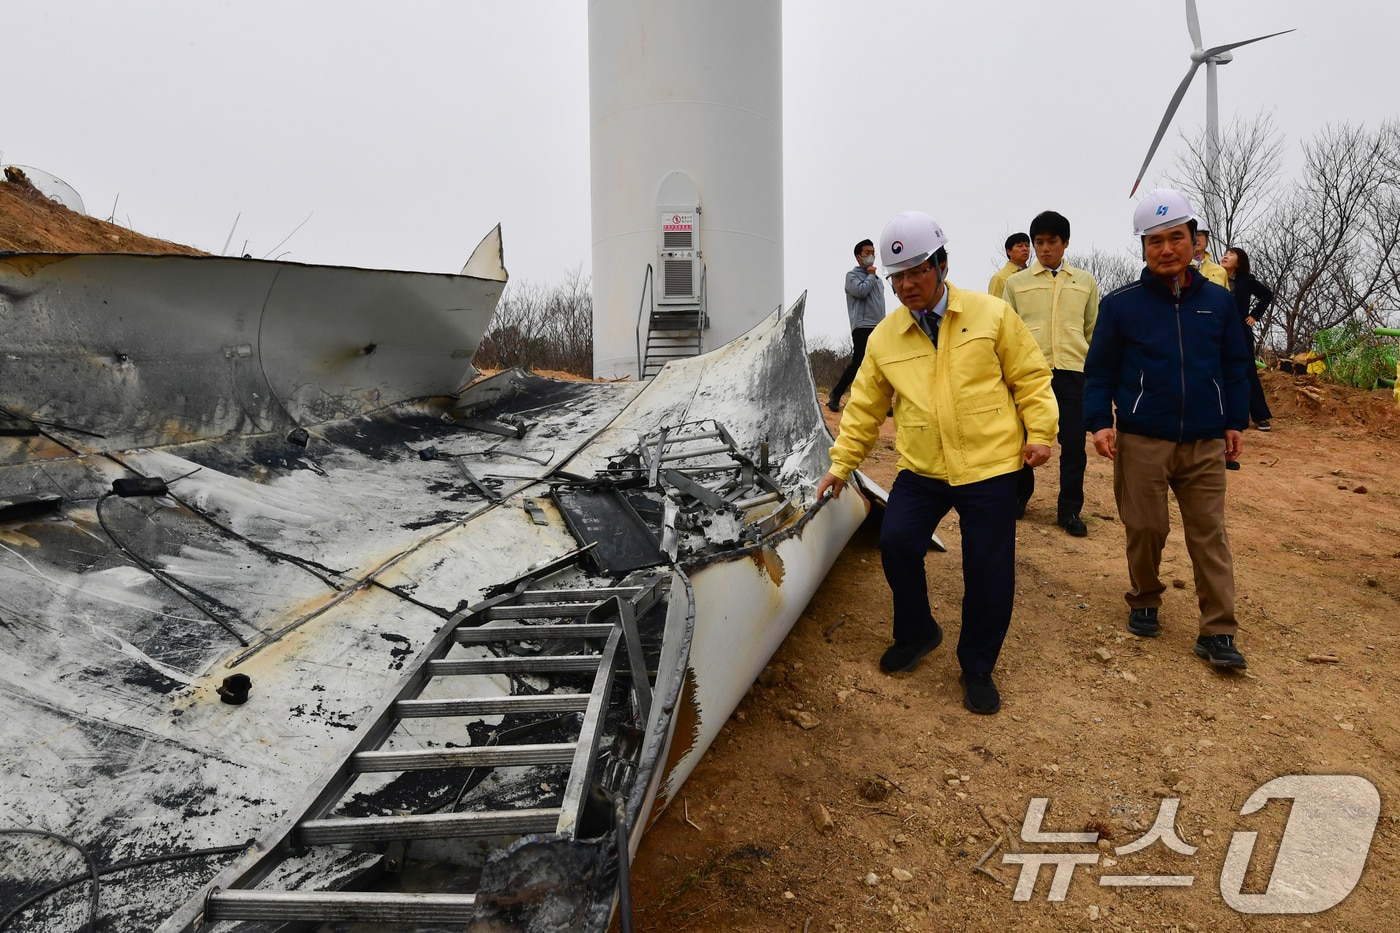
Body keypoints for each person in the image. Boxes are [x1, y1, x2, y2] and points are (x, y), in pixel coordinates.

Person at [816, 210, 1058, 714]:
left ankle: (976, 665)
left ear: (942, 265)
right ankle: (918, 631)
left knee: (988, 570)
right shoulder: (885, 337)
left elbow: (1030, 377)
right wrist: (841, 465)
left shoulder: (989, 315)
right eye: (897, 276)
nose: (906, 285)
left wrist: (1041, 432)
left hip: (989, 465)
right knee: (897, 542)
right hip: (924, 468)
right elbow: (862, 407)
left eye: (917, 271)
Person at [1084, 188, 1251, 670]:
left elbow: (1235, 365)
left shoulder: (1219, 303)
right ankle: (1144, 599)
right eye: (1154, 241)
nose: (1166, 249)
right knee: (1146, 527)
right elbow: (1101, 370)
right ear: (1142, 246)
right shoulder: (1122, 306)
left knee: (1209, 534)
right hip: (1142, 438)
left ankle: (1218, 631)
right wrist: (1099, 423)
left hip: (1204, 440)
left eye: (1176, 237)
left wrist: (1234, 421)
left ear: (1194, 240)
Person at [1002, 211, 1099, 536]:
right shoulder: (1016, 283)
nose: (1044, 249)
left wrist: (1091, 368)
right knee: (1020, 440)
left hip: (1073, 373)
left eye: (1052, 242)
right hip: (1029, 375)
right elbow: (1007, 331)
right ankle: (1017, 499)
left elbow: (1091, 329)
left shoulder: (1084, 282)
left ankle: (1069, 510)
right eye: (1038, 242)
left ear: (1065, 243)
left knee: (1073, 445)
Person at [828, 238, 886, 411]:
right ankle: (836, 394)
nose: (871, 256)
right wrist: (870, 275)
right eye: (867, 253)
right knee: (859, 361)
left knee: (880, 364)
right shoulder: (852, 276)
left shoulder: (878, 280)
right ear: (858, 257)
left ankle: (881, 402)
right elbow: (860, 291)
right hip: (862, 325)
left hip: (879, 326)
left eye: (873, 252)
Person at [1220, 246, 1274, 431]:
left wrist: (1254, 316)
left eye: (1231, 254)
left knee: (1248, 372)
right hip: (1216, 331)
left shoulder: (1246, 280)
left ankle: (1260, 417)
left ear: (1240, 262)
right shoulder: (1212, 277)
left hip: (1240, 332)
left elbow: (1267, 295)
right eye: (1225, 253)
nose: (1226, 255)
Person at [987, 232, 1030, 298]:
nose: (1025, 249)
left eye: (1027, 246)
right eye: (1019, 246)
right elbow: (994, 305)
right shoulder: (999, 278)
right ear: (1009, 251)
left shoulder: (1033, 274)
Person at [1192, 218, 1229, 288]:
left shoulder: (1220, 271)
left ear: (1207, 239)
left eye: (1199, 234)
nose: (1195, 239)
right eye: (1192, 236)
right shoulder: (1179, 270)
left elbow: (1226, 298)